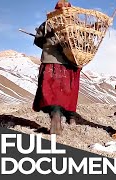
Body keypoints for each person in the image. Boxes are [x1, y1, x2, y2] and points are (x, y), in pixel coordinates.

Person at [32, 0, 81, 135]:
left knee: (50, 91)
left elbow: (38, 40)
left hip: (50, 62)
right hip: (70, 64)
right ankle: (70, 117)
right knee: (67, 92)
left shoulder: (47, 23)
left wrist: (48, 46)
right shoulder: (75, 25)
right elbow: (81, 44)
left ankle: (55, 114)